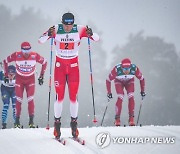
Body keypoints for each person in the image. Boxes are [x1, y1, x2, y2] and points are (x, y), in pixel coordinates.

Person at [38, 12, 99, 139]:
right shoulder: (55, 28)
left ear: (73, 23)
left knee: (73, 97)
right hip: (59, 66)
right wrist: (48, 34)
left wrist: (91, 33)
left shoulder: (80, 29)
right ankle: (57, 125)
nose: (67, 28)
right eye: (65, 25)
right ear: (62, 22)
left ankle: (74, 125)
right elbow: (40, 40)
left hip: (73, 66)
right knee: (59, 97)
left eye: (70, 25)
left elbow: (97, 38)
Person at [3, 42, 47, 128]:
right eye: (24, 51)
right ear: (21, 50)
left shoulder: (35, 55)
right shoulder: (16, 55)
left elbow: (44, 62)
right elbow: (5, 61)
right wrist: (6, 75)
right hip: (19, 80)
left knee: (30, 99)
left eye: (28, 50)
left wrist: (41, 76)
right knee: (18, 100)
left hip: (30, 80)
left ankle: (31, 122)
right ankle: (17, 122)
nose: (26, 53)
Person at [106, 58, 146, 126]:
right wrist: (109, 92)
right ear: (121, 67)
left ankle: (131, 119)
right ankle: (117, 119)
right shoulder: (116, 69)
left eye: (128, 69)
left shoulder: (134, 68)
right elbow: (108, 80)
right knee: (120, 96)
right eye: (124, 69)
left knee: (131, 96)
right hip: (118, 81)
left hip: (130, 81)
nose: (126, 71)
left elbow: (142, 79)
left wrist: (142, 91)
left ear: (131, 67)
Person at [0, 65, 16, 129]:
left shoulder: (18, 76)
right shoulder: (2, 75)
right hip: (4, 89)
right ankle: (4, 124)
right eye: (9, 74)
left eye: (13, 74)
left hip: (14, 89)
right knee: (6, 105)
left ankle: (16, 123)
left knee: (15, 105)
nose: (11, 76)